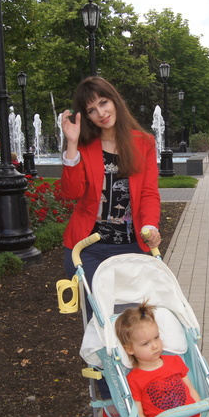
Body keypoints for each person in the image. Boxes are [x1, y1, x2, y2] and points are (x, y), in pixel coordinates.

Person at [59, 76, 162, 307]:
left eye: (103, 103)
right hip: (87, 248)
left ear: (115, 100)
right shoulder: (83, 146)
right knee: (98, 318)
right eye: (91, 110)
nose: (101, 113)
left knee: (130, 318)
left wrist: (150, 225)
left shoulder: (144, 142)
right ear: (87, 116)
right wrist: (72, 143)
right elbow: (71, 193)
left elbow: (148, 193)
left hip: (131, 247)